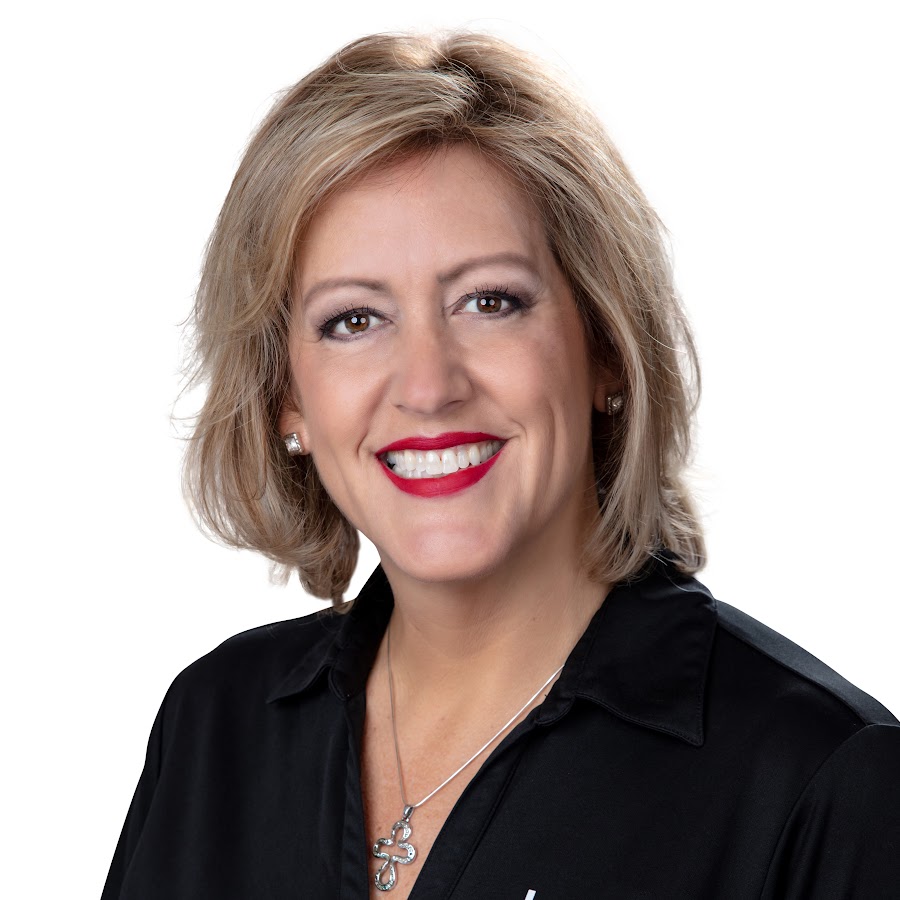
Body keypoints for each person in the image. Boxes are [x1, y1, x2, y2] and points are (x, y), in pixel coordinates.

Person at [101, 31, 900, 900]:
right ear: (286, 398)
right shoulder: (213, 728)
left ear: (606, 348)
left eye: (489, 302)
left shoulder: (820, 779)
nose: (428, 386)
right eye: (354, 320)